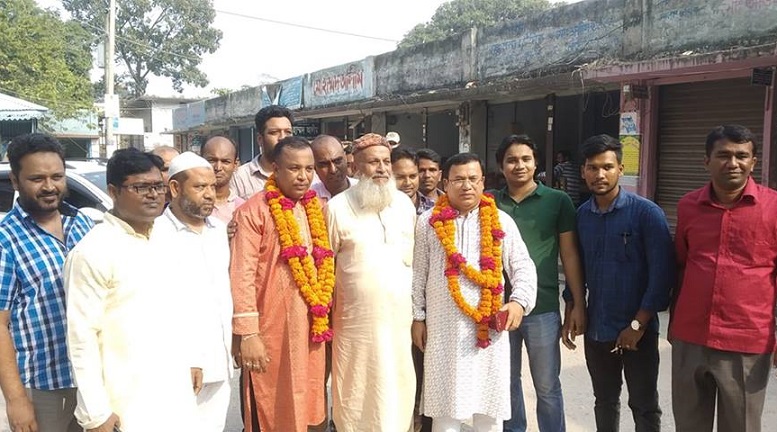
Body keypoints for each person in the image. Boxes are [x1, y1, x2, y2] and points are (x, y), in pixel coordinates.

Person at [65, 148, 199, 432]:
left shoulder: (165, 237)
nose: (153, 195)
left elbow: (178, 310)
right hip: (126, 401)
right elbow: (81, 338)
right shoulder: (93, 251)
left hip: (173, 391)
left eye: (158, 186)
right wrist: (95, 413)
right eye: (140, 187)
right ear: (113, 191)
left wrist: (192, 359)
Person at [411, 152, 537, 432]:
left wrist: (518, 302)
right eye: (458, 179)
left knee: (489, 415)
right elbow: (419, 273)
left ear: (483, 183)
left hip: (487, 333)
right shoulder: (428, 222)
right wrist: (418, 316)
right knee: (445, 415)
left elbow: (523, 266)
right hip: (443, 333)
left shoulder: (501, 221)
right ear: (446, 183)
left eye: (473, 179)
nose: (466, 185)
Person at [670, 125, 777, 432]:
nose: (733, 163)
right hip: (690, 334)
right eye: (723, 155)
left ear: (753, 162)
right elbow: (682, 265)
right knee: (689, 425)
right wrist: (675, 323)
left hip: (746, 339)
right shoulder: (688, 206)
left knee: (740, 426)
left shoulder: (773, 207)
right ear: (707, 161)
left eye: (742, 156)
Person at [568, 134, 674, 432]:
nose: (600, 174)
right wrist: (573, 306)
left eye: (607, 167)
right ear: (583, 171)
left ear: (620, 169)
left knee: (644, 405)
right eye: (592, 167)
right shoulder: (582, 216)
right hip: (597, 329)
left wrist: (638, 325)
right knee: (604, 401)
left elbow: (662, 275)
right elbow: (577, 269)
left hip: (637, 331)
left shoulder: (646, 214)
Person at [230, 136, 327, 432]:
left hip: (310, 327)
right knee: (270, 402)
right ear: (275, 168)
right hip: (271, 331)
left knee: (310, 400)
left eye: (309, 169)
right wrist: (248, 335)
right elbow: (242, 274)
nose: (303, 176)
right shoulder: (253, 211)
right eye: (294, 168)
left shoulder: (316, 208)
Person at [492, 135, 586, 432]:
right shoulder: (489, 202)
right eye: (511, 160)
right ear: (501, 166)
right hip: (497, 308)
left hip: (542, 307)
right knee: (506, 382)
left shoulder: (558, 201)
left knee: (547, 386)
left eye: (525, 159)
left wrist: (577, 303)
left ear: (536, 164)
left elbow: (569, 255)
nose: (519, 165)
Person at [0, 134, 93, 432]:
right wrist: (16, 400)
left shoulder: (81, 223)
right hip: (42, 388)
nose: (50, 186)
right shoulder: (6, 239)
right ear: (15, 181)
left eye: (57, 176)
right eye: (37, 178)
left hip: (92, 378)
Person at [326, 133, 416, 432]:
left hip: (399, 322)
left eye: (386, 161)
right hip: (355, 324)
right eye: (373, 162)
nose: (381, 168)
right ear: (355, 167)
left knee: (398, 386)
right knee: (356, 390)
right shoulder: (337, 207)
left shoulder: (403, 205)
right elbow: (325, 267)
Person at [151, 152, 233, 431]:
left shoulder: (219, 231)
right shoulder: (156, 234)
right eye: (199, 187)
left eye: (212, 186)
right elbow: (160, 308)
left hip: (220, 360)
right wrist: (186, 359)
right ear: (175, 188)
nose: (210, 194)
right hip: (181, 367)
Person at [230, 105, 294, 200]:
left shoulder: (306, 175)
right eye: (274, 132)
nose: (282, 138)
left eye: (288, 132)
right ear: (260, 139)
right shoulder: (240, 178)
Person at [200, 135, 245, 224]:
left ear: (235, 165)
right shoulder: (190, 205)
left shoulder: (243, 208)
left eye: (225, 162)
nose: (218, 167)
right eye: (212, 160)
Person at [310, 135, 357, 203]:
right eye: (324, 164)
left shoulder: (363, 190)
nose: (333, 170)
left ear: (345, 158)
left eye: (337, 161)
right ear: (315, 168)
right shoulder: (307, 198)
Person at [392, 147, 434, 215]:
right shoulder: (381, 210)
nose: (408, 183)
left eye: (412, 176)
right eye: (400, 177)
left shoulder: (433, 209)